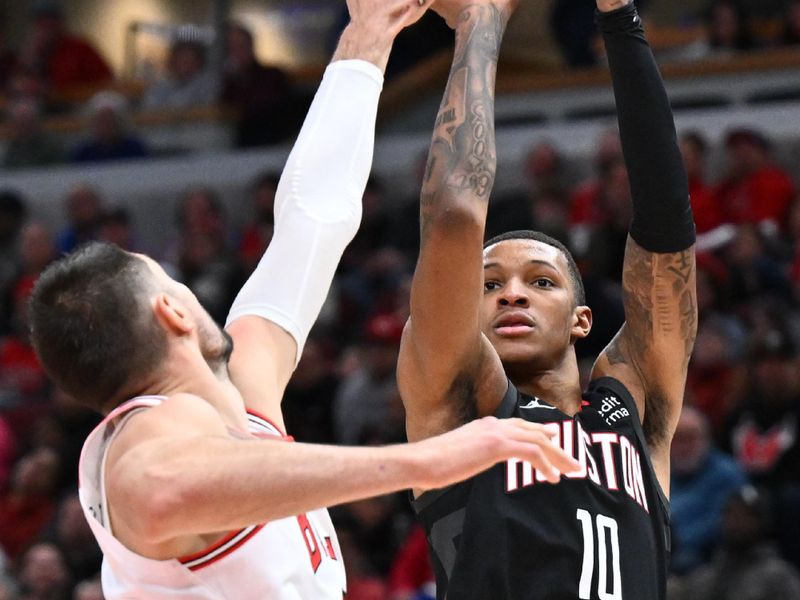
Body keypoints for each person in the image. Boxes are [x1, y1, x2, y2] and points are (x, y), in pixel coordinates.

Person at [28, 1, 578, 598]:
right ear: (172, 312)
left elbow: (310, 222)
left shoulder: (243, 395)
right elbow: (161, 492)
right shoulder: (140, 442)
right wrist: (427, 460)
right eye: (171, 282)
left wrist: (370, 32)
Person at [399, 0, 696, 599]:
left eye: (540, 282)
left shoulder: (634, 410)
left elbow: (666, 228)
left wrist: (618, 18)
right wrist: (480, 23)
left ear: (582, 319)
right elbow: (454, 215)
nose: (511, 293)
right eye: (488, 286)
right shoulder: (462, 407)